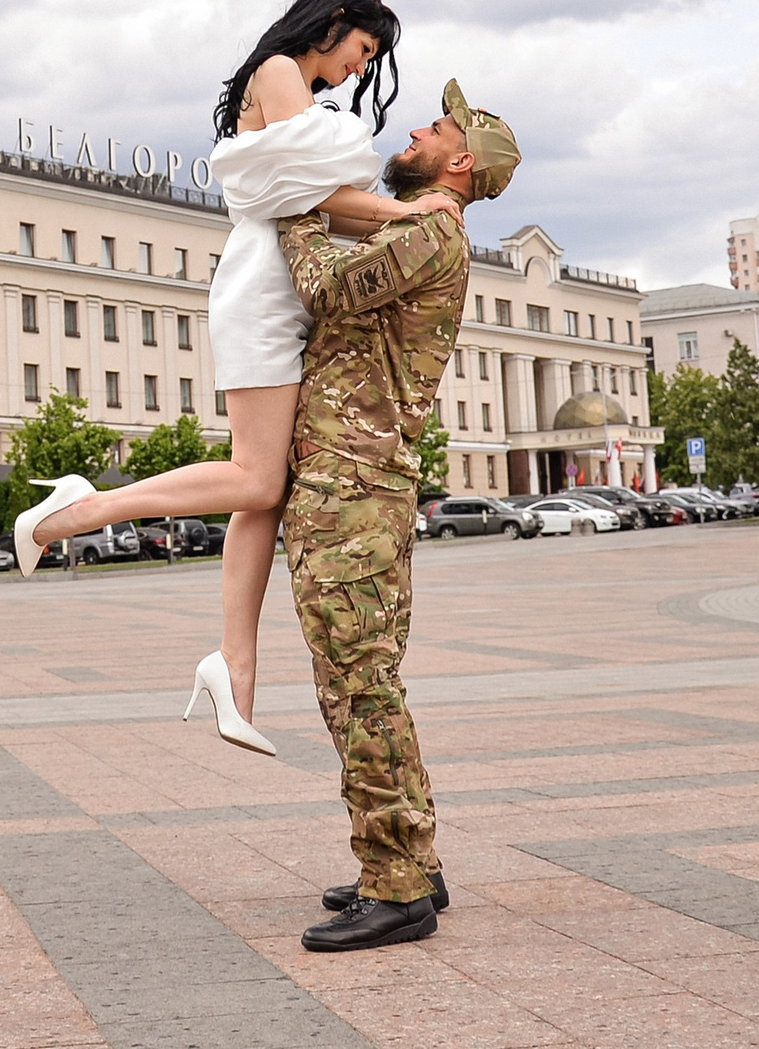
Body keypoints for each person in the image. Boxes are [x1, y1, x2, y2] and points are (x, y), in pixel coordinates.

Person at [12, 0, 453, 754]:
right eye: (363, 49)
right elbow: (321, 192)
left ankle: (235, 668)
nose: (360, 69)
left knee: (265, 491)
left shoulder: (296, 88)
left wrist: (401, 216)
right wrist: (406, 209)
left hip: (281, 290)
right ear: (336, 21)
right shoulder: (279, 72)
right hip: (261, 291)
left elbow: (322, 202)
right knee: (255, 479)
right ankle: (79, 510)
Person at [277, 80, 520, 952]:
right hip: (359, 484)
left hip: (351, 487)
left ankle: (397, 886)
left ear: (461, 160)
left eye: (437, 126)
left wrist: (289, 204)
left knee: (357, 686)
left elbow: (324, 287)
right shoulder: (419, 227)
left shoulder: (429, 230)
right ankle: (415, 858)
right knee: (370, 679)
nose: (416, 128)